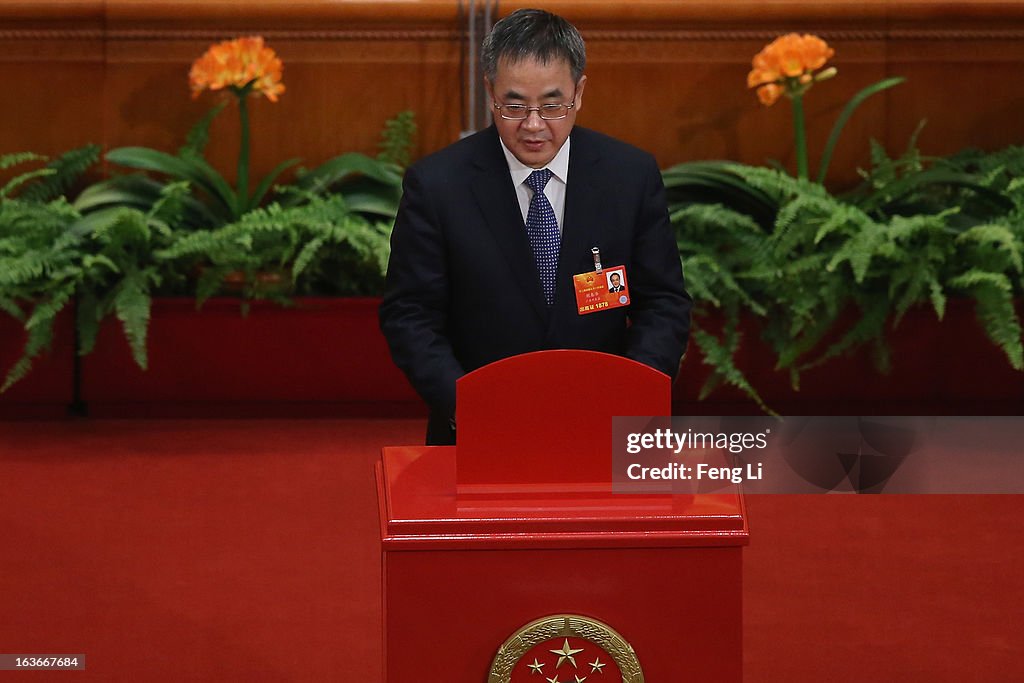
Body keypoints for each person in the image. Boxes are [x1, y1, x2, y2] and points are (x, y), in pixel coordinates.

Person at [380, 8, 691, 445]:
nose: (533, 125)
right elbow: (409, 315)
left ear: (579, 93)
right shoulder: (438, 186)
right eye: (514, 105)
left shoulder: (629, 177)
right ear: (489, 91)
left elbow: (663, 304)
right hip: (478, 431)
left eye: (551, 105)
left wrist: (631, 398)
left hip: (605, 427)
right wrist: (468, 406)